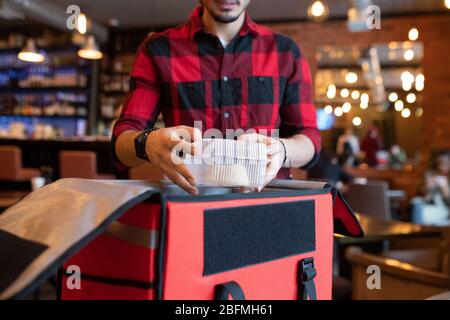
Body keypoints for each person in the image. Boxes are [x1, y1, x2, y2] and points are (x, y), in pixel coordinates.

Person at [112, 1, 320, 194]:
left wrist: (282, 150)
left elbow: (310, 139)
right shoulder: (158, 50)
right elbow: (121, 142)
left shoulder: (286, 52)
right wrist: (147, 143)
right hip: (191, 204)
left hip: (268, 204)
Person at [411, 150, 450, 225]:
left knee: (419, 210)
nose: (440, 165)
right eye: (439, 163)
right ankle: (417, 231)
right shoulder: (430, 174)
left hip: (444, 208)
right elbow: (419, 193)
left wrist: (445, 189)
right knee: (416, 204)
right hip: (428, 205)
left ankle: (417, 231)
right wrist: (426, 187)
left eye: (444, 163)